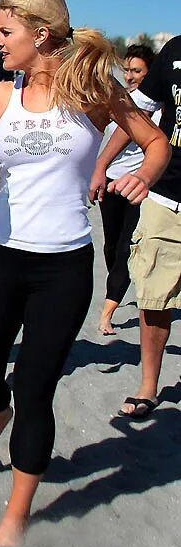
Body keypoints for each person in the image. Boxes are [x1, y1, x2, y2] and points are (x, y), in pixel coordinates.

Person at [0, 0, 168, 547]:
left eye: (4, 33)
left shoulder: (94, 92)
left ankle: (17, 517)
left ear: (39, 35)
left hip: (63, 266)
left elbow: (156, 140)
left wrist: (143, 174)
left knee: (37, 386)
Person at [109, 35, 181, 419]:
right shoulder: (175, 51)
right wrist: (102, 163)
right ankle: (148, 385)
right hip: (168, 197)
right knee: (153, 297)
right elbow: (134, 115)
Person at [89, 44, 157, 335]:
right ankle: (118, 288)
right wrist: (100, 170)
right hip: (112, 181)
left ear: (150, 74)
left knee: (125, 247)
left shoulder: (156, 108)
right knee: (111, 244)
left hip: (138, 187)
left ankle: (108, 310)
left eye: (137, 71)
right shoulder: (115, 100)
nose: (130, 76)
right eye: (127, 70)